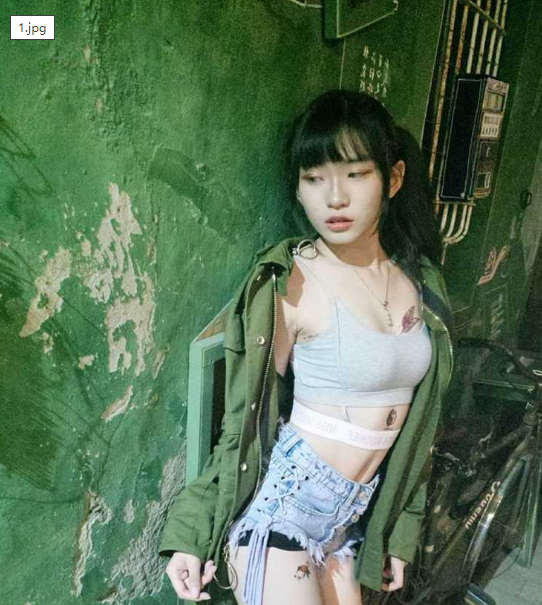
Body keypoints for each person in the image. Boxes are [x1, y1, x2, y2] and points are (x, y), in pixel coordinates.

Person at [159, 89, 453, 605]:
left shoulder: (421, 282)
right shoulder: (289, 281)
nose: (334, 198)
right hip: (284, 516)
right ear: (298, 189)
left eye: (355, 175)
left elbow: (422, 430)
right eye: (314, 178)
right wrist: (191, 533)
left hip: (350, 523)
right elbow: (242, 424)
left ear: (394, 178)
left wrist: (399, 534)